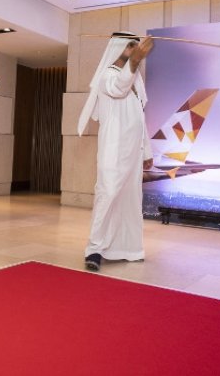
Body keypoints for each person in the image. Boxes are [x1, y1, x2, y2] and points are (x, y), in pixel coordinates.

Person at [77, 32, 154, 271]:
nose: (134, 49)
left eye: (135, 46)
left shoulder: (135, 81)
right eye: (130, 46)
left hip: (133, 152)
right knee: (107, 194)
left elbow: (140, 118)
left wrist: (146, 152)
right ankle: (94, 249)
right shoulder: (107, 76)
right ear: (118, 47)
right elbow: (118, 87)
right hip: (113, 148)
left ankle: (128, 249)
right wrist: (135, 61)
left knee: (130, 199)